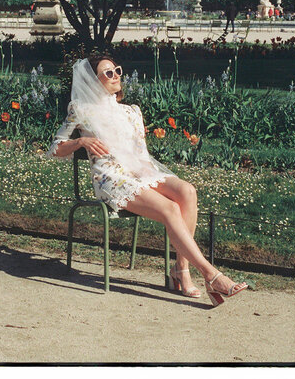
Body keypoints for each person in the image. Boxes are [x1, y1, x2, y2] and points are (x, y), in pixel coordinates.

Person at [47, 56, 248, 306]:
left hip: (139, 171)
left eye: (117, 70)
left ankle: (181, 269)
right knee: (170, 208)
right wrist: (80, 142)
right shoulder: (81, 110)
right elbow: (54, 148)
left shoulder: (132, 112)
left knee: (187, 191)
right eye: (108, 73)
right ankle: (212, 275)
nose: (116, 76)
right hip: (112, 178)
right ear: (93, 81)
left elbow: (141, 152)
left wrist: (149, 176)